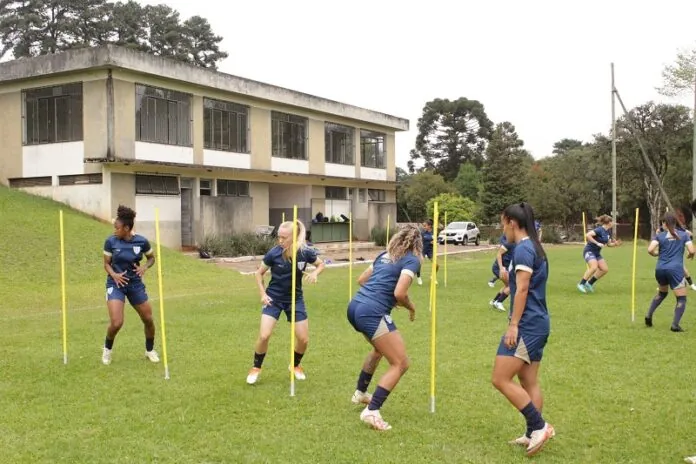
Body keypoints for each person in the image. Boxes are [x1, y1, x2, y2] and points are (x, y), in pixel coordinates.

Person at [491, 202, 555, 457]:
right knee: (528, 380)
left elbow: (524, 289)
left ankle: (540, 426)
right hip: (540, 323)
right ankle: (532, 434)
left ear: (512, 223)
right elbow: (523, 284)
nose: (502, 228)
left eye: (502, 222)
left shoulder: (523, 249)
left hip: (527, 324)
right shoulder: (534, 248)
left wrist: (513, 324)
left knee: (499, 378)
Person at [346, 224, 422, 431]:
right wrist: (411, 307)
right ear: (418, 244)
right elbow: (400, 293)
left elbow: (362, 280)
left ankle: (361, 393)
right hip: (371, 312)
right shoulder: (412, 260)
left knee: (379, 350)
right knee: (400, 363)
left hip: (354, 307)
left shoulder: (384, 255)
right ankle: (372, 410)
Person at [247, 220, 325, 385]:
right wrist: (262, 294)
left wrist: (315, 273)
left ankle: (295, 366)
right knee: (264, 335)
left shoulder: (305, 252)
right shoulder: (273, 253)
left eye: (284, 237)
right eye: (279, 237)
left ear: (295, 237)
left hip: (295, 300)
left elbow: (320, 264)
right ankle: (256, 368)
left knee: (303, 339)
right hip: (273, 299)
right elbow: (258, 274)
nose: (280, 241)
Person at [102, 205, 160, 365]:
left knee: (148, 319)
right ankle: (107, 350)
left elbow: (151, 258)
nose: (115, 230)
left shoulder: (141, 241)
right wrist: (114, 275)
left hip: (135, 284)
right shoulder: (110, 242)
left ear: (127, 228)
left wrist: (144, 267)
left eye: (117, 228)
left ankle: (150, 350)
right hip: (115, 284)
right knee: (116, 323)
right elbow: (106, 264)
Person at [645, 212, 695, 332]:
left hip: (660, 269)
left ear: (665, 223)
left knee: (662, 294)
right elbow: (692, 250)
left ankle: (648, 315)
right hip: (675, 270)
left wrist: (657, 254)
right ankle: (675, 325)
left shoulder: (660, 236)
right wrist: (690, 255)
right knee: (681, 299)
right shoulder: (683, 235)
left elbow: (650, 249)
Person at [577, 214, 622, 293]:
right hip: (589, 251)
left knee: (604, 269)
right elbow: (587, 235)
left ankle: (589, 283)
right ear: (609, 223)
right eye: (613, 222)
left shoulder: (608, 232)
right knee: (594, 267)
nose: (614, 224)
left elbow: (608, 244)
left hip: (597, 253)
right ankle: (581, 284)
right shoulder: (599, 230)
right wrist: (597, 243)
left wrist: (615, 244)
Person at [488, 234, 515, 312]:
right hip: (499, 268)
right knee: (512, 285)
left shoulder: (518, 244)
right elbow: (499, 254)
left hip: (505, 268)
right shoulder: (509, 243)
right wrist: (501, 268)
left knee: (507, 285)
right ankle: (499, 302)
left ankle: (494, 301)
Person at [416, 219, 434, 286]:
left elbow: (437, 240)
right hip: (423, 250)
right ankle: (418, 277)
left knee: (436, 265)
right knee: (419, 264)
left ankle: (432, 277)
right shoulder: (422, 233)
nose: (423, 227)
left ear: (429, 226)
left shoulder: (434, 232)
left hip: (430, 250)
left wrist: (435, 242)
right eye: (423, 226)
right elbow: (418, 241)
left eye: (425, 226)